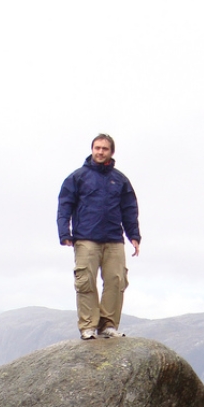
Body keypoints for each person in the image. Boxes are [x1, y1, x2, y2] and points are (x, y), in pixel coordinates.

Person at [57, 134, 141, 340]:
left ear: (111, 152)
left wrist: (134, 236)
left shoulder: (120, 180)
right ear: (92, 149)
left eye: (104, 148)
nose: (100, 152)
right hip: (86, 238)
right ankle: (88, 326)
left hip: (114, 239)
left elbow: (129, 209)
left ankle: (108, 325)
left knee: (116, 281)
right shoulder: (77, 177)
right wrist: (64, 233)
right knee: (86, 282)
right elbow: (64, 205)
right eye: (97, 148)